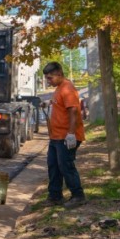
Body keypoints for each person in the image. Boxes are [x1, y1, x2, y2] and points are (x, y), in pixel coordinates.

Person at [42, 62, 86, 208]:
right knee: (53, 166)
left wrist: (71, 134)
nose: (48, 81)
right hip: (56, 136)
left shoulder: (67, 88)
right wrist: (49, 103)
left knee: (66, 166)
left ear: (59, 74)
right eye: (47, 78)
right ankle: (55, 196)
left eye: (50, 78)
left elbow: (73, 111)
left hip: (66, 137)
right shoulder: (59, 88)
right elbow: (59, 102)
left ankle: (78, 196)